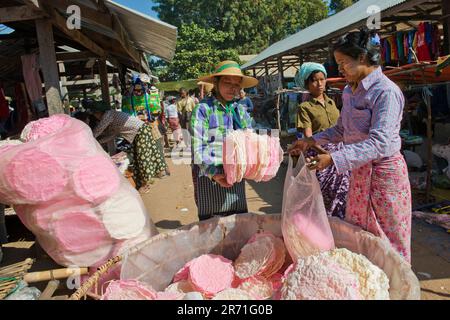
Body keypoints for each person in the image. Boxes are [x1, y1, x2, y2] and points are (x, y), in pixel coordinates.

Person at [289, 28, 412, 262]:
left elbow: (380, 142)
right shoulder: (349, 91)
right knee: (359, 234)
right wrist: (311, 140)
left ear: (363, 58)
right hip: (358, 174)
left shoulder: (386, 92)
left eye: (344, 62)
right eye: (338, 63)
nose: (340, 69)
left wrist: (334, 159)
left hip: (383, 176)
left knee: (387, 240)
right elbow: (342, 130)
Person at [191, 60, 257, 221]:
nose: (232, 88)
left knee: (237, 223)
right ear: (216, 82)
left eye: (236, 84)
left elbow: (250, 138)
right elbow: (198, 147)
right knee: (213, 225)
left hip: (235, 175)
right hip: (209, 176)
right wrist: (214, 173)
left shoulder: (239, 110)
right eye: (227, 82)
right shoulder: (203, 109)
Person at [295, 62, 350, 219]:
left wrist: (338, 154)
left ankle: (338, 224)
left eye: (322, 79)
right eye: (314, 80)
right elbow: (308, 136)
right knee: (320, 193)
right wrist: (326, 154)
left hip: (339, 152)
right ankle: (320, 226)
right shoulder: (305, 107)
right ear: (307, 84)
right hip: (317, 153)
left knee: (342, 193)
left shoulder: (333, 103)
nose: (319, 84)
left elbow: (342, 129)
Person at [88, 101, 168, 194]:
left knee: (142, 159)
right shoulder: (112, 117)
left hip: (140, 132)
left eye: (94, 114)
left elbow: (99, 129)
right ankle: (144, 182)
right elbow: (112, 135)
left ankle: (145, 185)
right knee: (137, 159)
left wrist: (89, 137)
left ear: (98, 112)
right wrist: (97, 142)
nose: (95, 117)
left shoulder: (108, 115)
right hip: (137, 134)